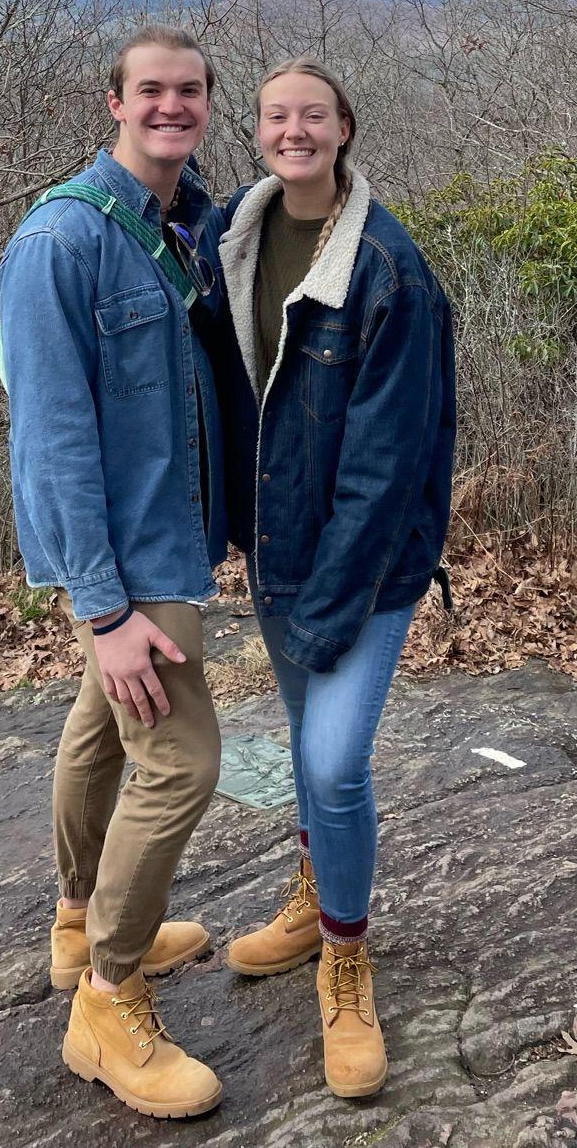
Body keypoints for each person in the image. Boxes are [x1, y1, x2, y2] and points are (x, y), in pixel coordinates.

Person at [0, 25, 233, 1120]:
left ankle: (75, 922)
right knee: (180, 761)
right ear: (114, 102)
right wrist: (103, 609)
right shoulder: (60, 240)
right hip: (126, 561)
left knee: (102, 727)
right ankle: (107, 997)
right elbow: (51, 438)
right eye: (151, 90)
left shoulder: (183, 224)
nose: (170, 106)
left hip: (164, 536)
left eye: (188, 90)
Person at [214, 56, 456, 1100]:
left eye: (312, 115)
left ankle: (346, 956)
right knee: (306, 748)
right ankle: (317, 896)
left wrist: (326, 605)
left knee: (333, 758)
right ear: (258, 130)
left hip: (366, 563)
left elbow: (387, 465)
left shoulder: (389, 270)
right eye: (276, 115)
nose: (294, 131)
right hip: (278, 548)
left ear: (345, 126)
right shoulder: (233, 233)